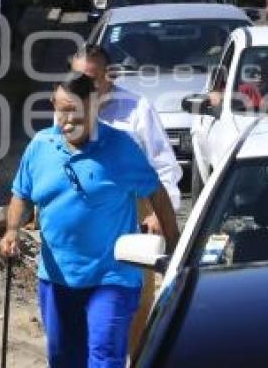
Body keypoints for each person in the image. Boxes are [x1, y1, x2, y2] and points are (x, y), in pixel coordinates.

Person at [0, 74, 179, 367]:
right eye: (61, 109)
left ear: (94, 107)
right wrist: (11, 230)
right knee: (64, 360)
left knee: (104, 358)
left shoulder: (121, 148)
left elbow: (156, 193)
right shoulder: (40, 146)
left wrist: (174, 242)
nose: (67, 120)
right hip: (56, 278)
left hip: (112, 277)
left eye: (75, 111)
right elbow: (21, 193)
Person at [69, 46, 182, 357]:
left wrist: (161, 214)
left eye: (90, 78)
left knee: (132, 310)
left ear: (108, 77)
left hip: (132, 226)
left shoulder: (136, 109)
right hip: (84, 232)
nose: (84, 86)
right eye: (78, 78)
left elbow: (164, 168)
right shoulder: (68, 110)